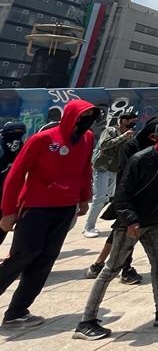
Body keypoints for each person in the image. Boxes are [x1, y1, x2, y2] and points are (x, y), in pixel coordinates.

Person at [72, 119, 158, 340]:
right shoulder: (141, 159)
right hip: (132, 223)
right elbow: (122, 194)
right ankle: (87, 320)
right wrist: (130, 221)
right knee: (111, 269)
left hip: (154, 221)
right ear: (156, 138)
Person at [0, 100, 96, 331]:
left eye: (91, 117)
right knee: (25, 254)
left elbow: (85, 169)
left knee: (46, 259)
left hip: (65, 207)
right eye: (83, 116)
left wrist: (84, 197)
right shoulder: (44, 139)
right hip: (36, 207)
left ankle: (17, 311)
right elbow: (16, 174)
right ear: (71, 116)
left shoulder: (87, 139)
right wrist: (8, 211)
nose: (86, 121)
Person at [84, 116, 158, 285]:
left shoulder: (152, 147)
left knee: (119, 232)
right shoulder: (129, 144)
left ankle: (98, 265)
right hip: (128, 198)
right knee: (126, 233)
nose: (131, 124)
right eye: (129, 121)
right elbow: (126, 175)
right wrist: (125, 203)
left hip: (142, 199)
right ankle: (123, 269)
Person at [83, 107, 139, 238]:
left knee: (107, 198)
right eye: (131, 121)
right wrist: (123, 136)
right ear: (123, 121)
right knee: (99, 197)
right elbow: (104, 145)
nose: (133, 124)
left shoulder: (129, 133)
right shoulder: (111, 131)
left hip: (114, 169)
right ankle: (89, 227)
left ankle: (91, 221)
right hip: (102, 167)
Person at [0, 121, 27, 246]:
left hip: (8, 193)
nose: (16, 138)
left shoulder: (20, 146)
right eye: (13, 134)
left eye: (19, 134)